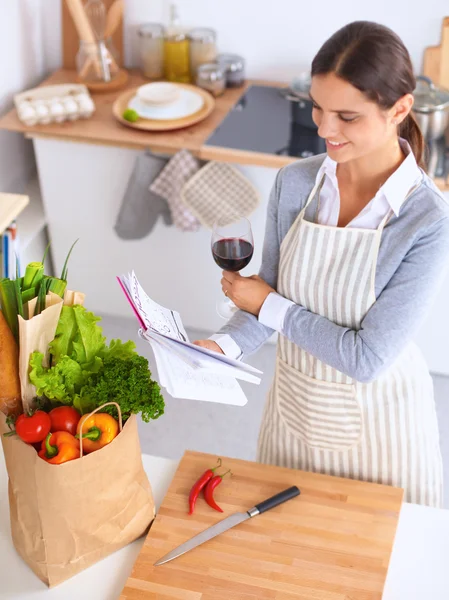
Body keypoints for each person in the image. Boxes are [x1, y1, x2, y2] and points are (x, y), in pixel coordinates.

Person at [194, 21, 449, 507]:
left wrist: (266, 304)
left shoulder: (426, 221)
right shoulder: (295, 183)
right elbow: (265, 293)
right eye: (318, 107)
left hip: (382, 425)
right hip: (295, 412)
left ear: (399, 109)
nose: (324, 129)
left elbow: (365, 358)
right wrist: (221, 348)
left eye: (347, 116)